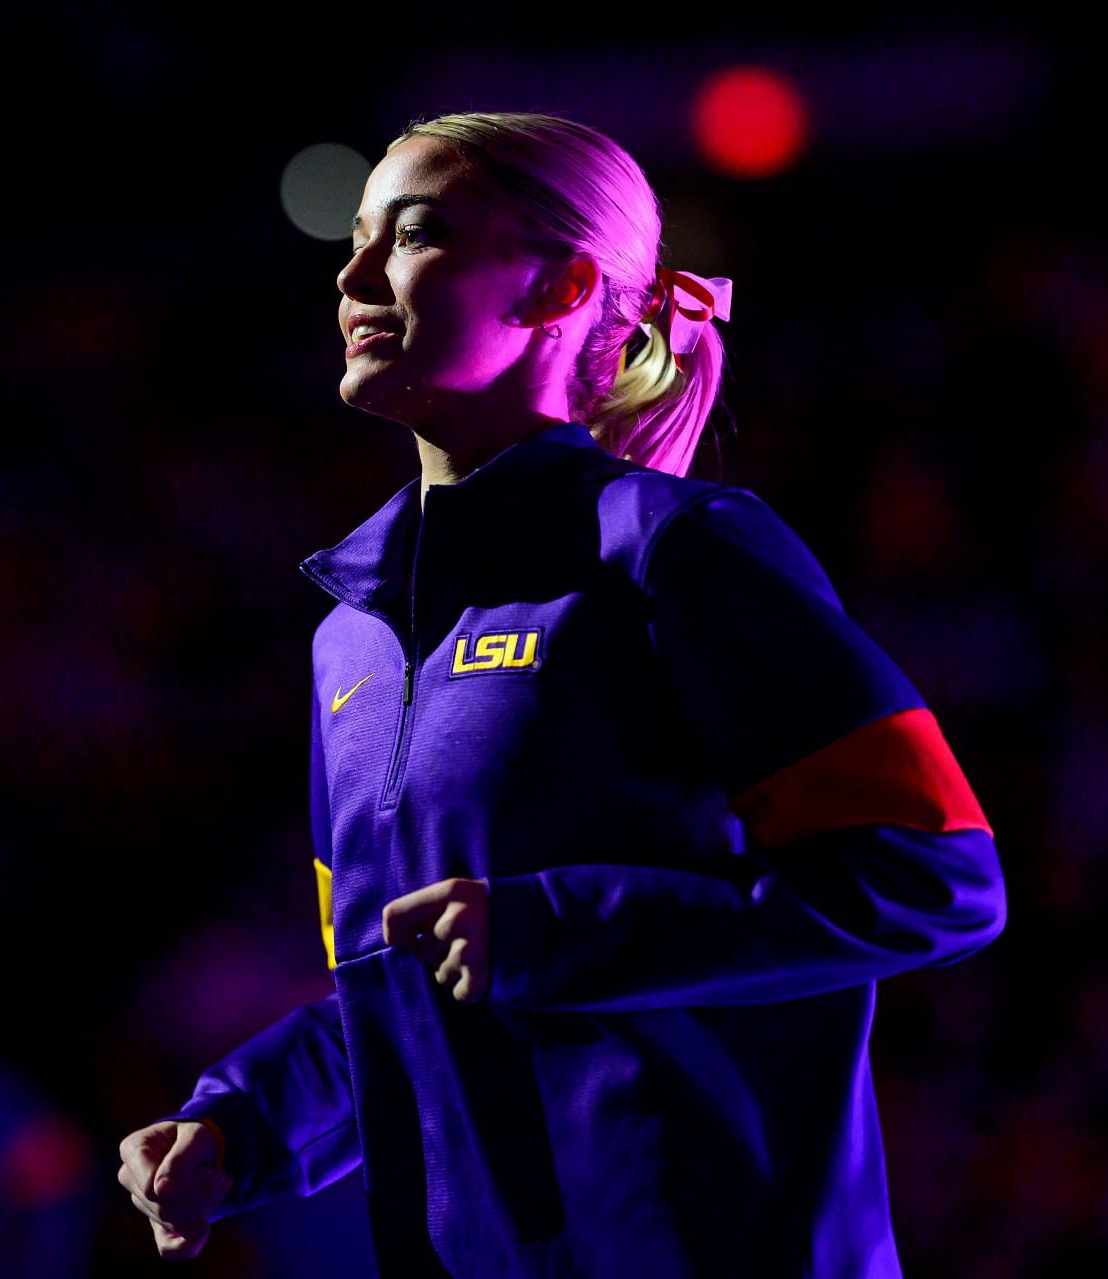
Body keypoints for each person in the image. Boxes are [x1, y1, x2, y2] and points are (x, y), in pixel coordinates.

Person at [115, 111, 1006, 1277]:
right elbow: (398, 993)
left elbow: (939, 874)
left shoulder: (683, 551)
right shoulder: (351, 640)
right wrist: (242, 1125)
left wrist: (554, 924)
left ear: (559, 288)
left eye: (416, 235)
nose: (353, 275)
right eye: (357, 237)